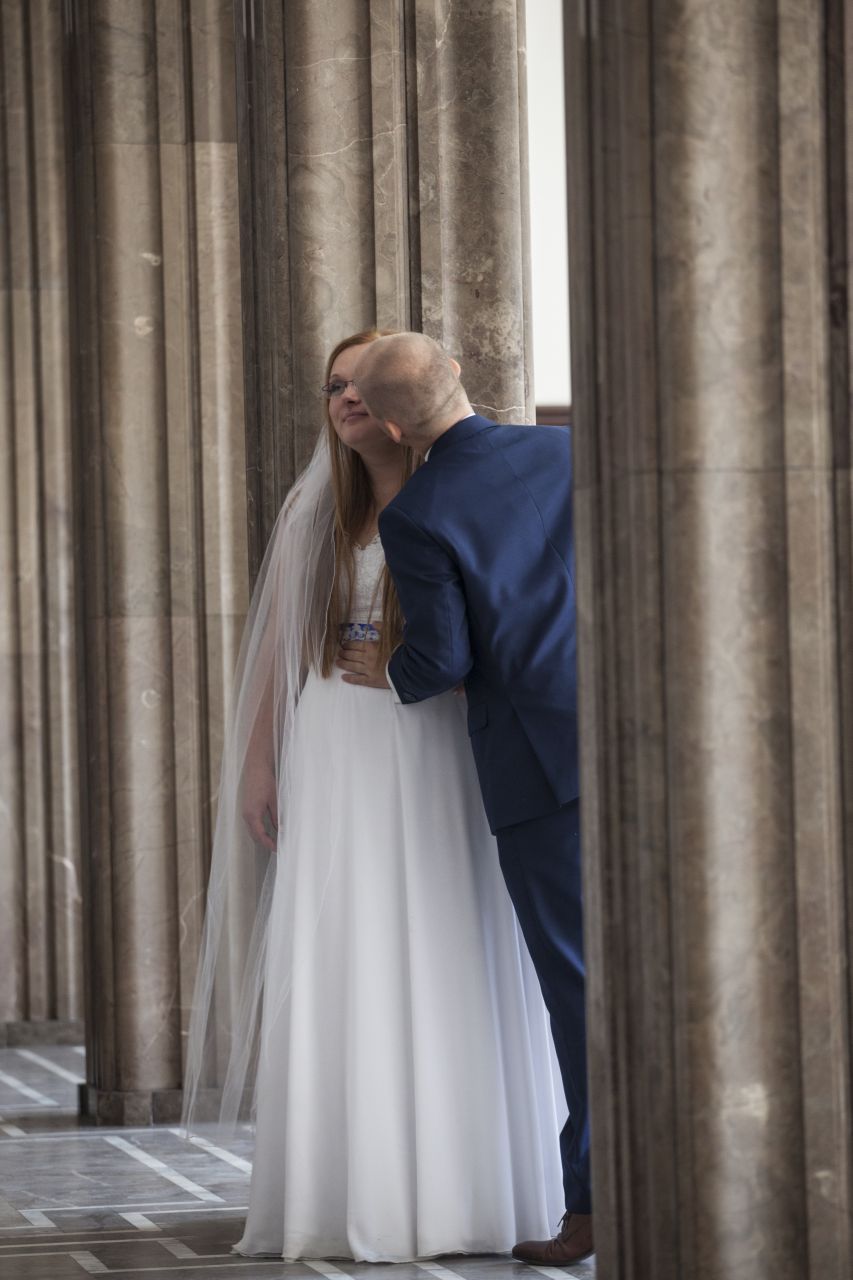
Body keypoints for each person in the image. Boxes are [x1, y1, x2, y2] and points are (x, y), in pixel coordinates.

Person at [182, 328, 566, 1263]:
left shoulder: (466, 487)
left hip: (443, 740)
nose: (346, 397)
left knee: (455, 932)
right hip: (342, 741)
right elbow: (279, 648)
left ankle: (478, 1185)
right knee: (352, 938)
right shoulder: (316, 514)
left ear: (400, 409)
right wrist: (261, 762)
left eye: (361, 383)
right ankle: (359, 1188)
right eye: (333, 387)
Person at [341, 331, 592, 1266]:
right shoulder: (567, 449)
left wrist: (386, 667)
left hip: (537, 767)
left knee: (577, 985)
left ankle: (593, 1204)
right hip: (639, 738)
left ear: (391, 426)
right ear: (459, 377)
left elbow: (441, 658)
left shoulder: (421, 508)